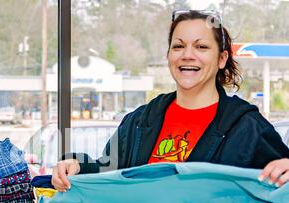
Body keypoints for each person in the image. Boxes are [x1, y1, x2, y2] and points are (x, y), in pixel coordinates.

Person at [52, 10, 289, 192]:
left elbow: (280, 184)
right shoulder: (139, 121)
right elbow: (108, 170)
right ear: (168, 56)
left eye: (201, 46)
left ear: (221, 59)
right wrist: (77, 165)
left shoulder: (248, 128)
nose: (187, 54)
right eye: (178, 46)